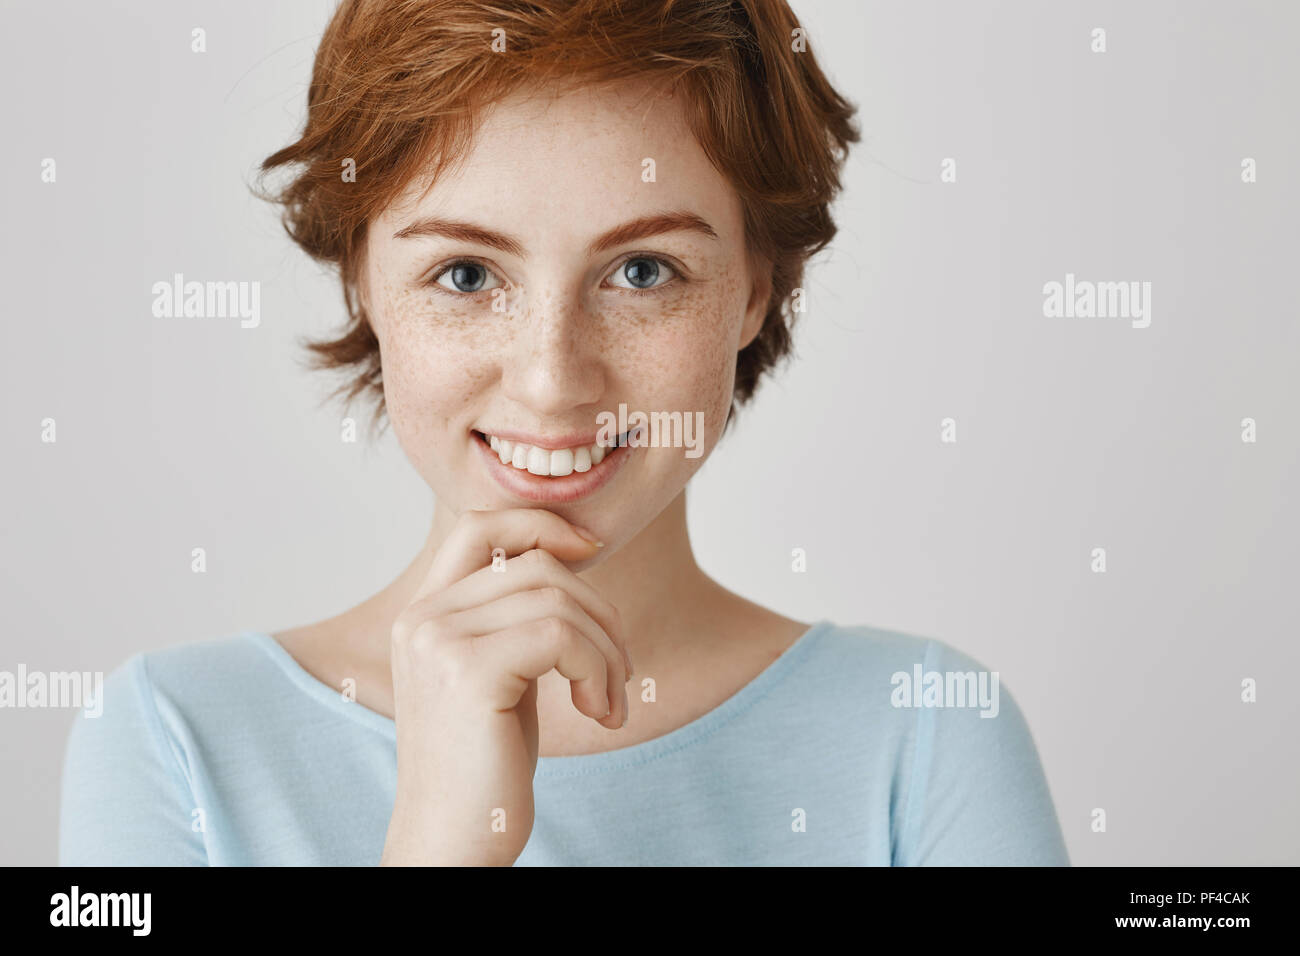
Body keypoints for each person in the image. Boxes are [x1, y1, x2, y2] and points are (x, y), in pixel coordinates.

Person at [59, 0, 1069, 866]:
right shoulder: (172, 741)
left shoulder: (926, 727)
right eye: (466, 274)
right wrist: (440, 840)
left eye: (642, 272)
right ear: (361, 280)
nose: (550, 381)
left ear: (755, 289)